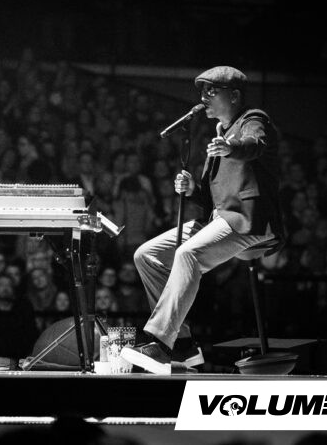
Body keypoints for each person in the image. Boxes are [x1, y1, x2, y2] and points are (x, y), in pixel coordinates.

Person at [121, 66, 285, 374]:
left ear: (234, 96)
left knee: (188, 254)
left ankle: (160, 343)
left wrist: (231, 147)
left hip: (249, 221)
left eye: (212, 91)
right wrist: (193, 190)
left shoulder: (253, 120)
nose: (204, 97)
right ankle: (184, 345)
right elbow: (213, 201)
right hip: (219, 219)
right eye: (202, 92)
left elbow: (255, 145)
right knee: (147, 255)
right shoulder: (219, 135)